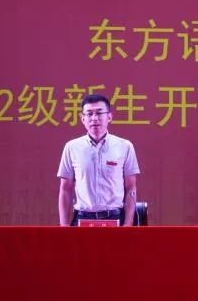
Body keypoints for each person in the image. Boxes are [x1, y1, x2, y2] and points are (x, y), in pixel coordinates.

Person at [57, 94, 140, 226]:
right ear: (82, 118)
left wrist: (128, 224)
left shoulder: (124, 146)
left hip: (115, 217)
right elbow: (65, 189)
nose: (94, 118)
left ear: (109, 117)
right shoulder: (71, 147)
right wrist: (64, 226)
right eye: (89, 114)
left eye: (99, 113)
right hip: (82, 218)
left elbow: (131, 188)